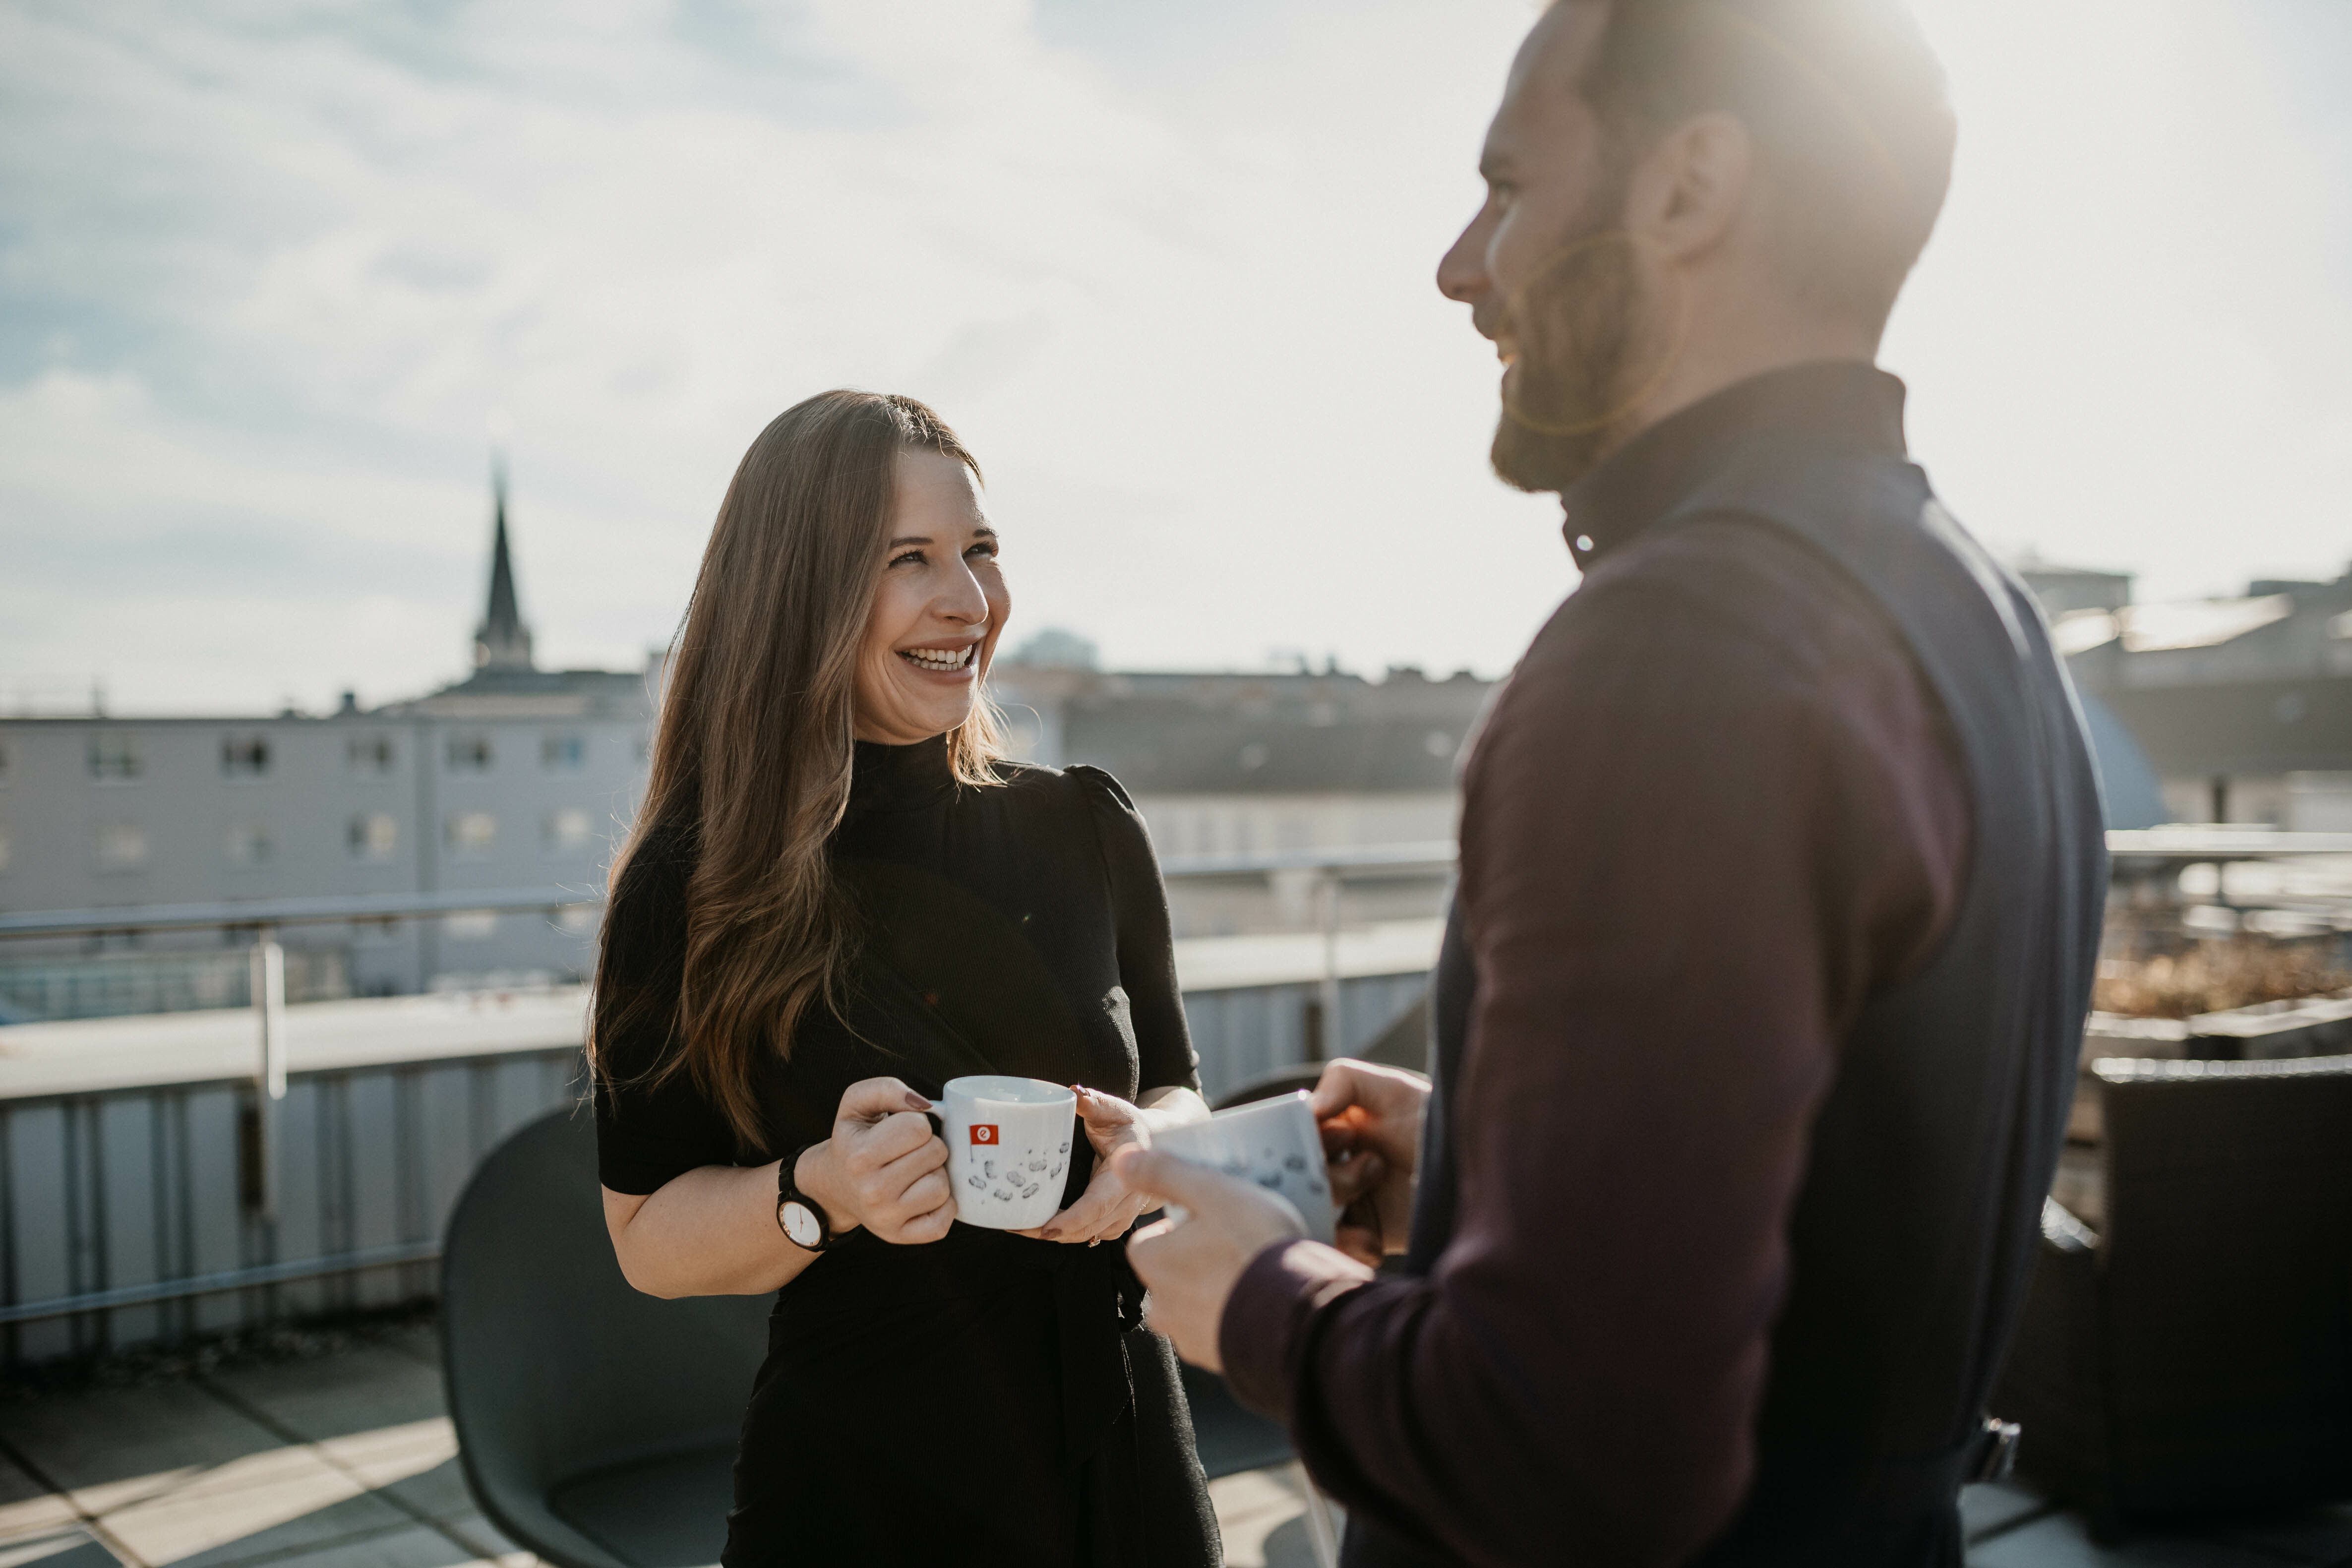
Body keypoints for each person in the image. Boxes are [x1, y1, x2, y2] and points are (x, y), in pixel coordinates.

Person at [1118, 2, 2108, 1565]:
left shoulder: (1671, 655)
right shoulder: (1974, 617)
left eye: (1509, 185)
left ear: (1690, 188)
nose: (1462, 262)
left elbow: (1572, 1460)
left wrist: (1258, 1299)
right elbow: (1857, 1212)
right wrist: (1490, 1163)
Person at [590, 390, 1220, 1568]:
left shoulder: (1084, 827)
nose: (968, 603)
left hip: (1124, 1456)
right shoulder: (693, 882)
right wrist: (820, 1191)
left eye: (980, 551)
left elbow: (1180, 1088)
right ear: (799, 590)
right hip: (864, 1492)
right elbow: (644, 1236)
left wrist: (1152, 1153)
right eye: (909, 561)